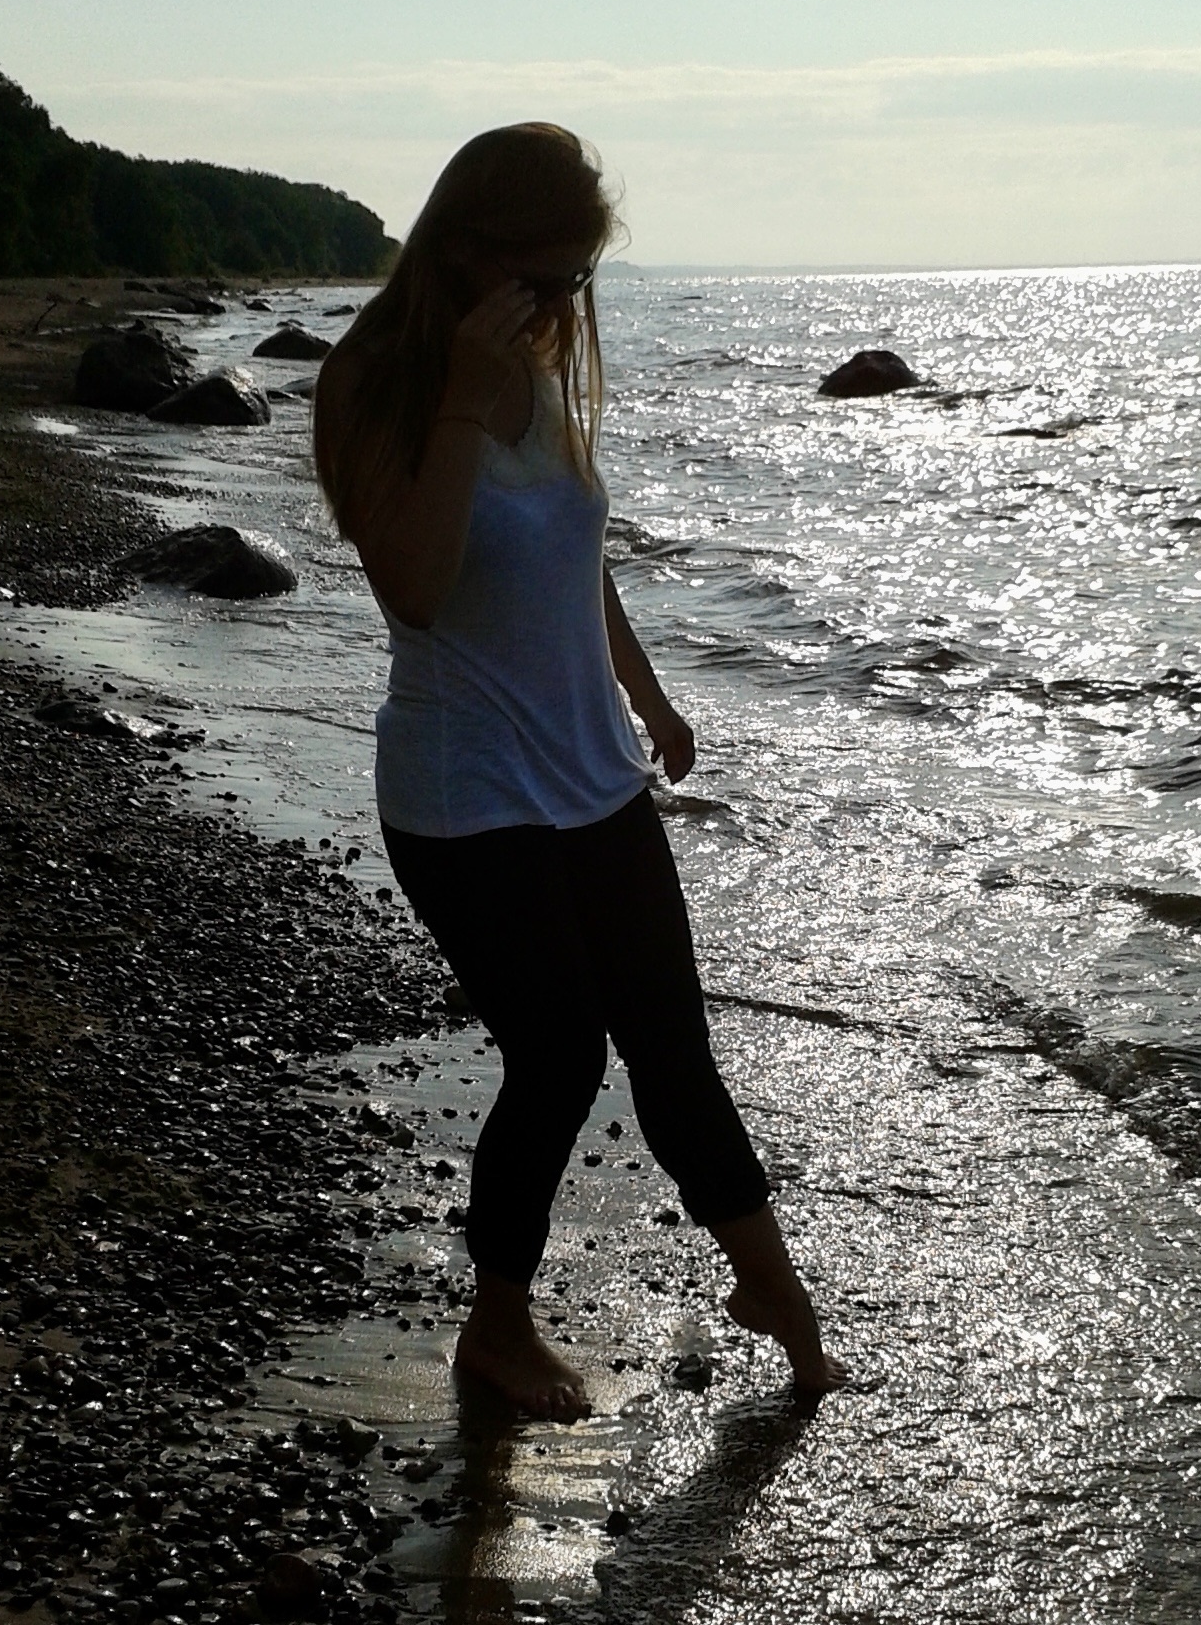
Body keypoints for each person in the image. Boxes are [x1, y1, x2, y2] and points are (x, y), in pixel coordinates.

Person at [313, 125, 846, 1418]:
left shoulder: (537, 359)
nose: (562, 306)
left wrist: (646, 692)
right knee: (556, 1057)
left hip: (591, 775)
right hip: (464, 796)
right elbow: (417, 585)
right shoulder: (376, 383)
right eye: (543, 278)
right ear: (464, 249)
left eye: (578, 281)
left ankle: (775, 1293)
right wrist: (459, 397)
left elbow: (568, 552)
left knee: (672, 1048)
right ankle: (495, 1330)